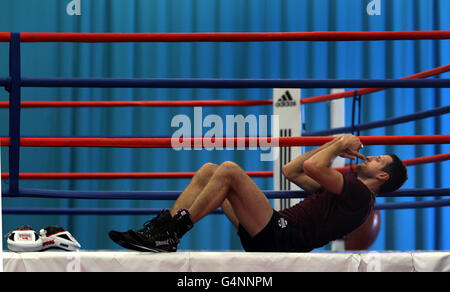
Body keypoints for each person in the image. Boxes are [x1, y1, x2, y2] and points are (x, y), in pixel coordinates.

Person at [109, 134, 407, 252]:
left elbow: (316, 167)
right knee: (210, 172)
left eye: (379, 160)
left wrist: (340, 144)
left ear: (382, 176)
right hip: (274, 230)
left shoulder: (360, 195)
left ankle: (173, 232)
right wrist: (332, 144)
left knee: (229, 170)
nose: (371, 157)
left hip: (285, 237)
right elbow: (292, 170)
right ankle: (162, 233)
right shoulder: (347, 194)